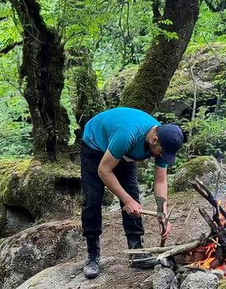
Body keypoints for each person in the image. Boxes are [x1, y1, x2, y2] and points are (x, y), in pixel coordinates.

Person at [79, 107, 184, 279]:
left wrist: (162, 212)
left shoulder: (163, 141)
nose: (160, 156)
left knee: (133, 196)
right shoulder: (127, 135)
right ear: (154, 139)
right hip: (95, 144)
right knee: (93, 199)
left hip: (123, 153)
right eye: (161, 152)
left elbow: (160, 180)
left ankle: (136, 252)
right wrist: (126, 200)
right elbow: (104, 171)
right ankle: (92, 256)